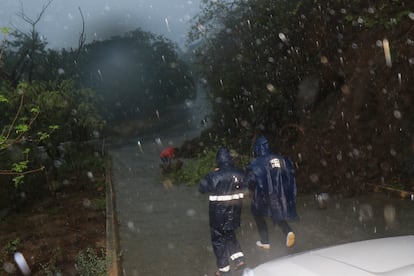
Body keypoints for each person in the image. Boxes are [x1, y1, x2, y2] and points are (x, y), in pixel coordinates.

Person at [199, 147, 246, 276]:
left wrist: (210, 175)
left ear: (218, 160)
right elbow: (249, 185)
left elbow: (202, 188)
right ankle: (239, 260)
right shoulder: (240, 173)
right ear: (230, 159)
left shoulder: (214, 175)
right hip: (234, 214)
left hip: (218, 215)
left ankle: (224, 271)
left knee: (218, 241)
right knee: (230, 235)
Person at [246, 135, 298, 249]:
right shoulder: (281, 159)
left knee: (257, 214)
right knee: (277, 213)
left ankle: (265, 242)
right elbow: (289, 174)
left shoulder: (255, 163)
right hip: (279, 193)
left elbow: (251, 180)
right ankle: (288, 231)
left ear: (258, 149)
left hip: (262, 194)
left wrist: (250, 190)